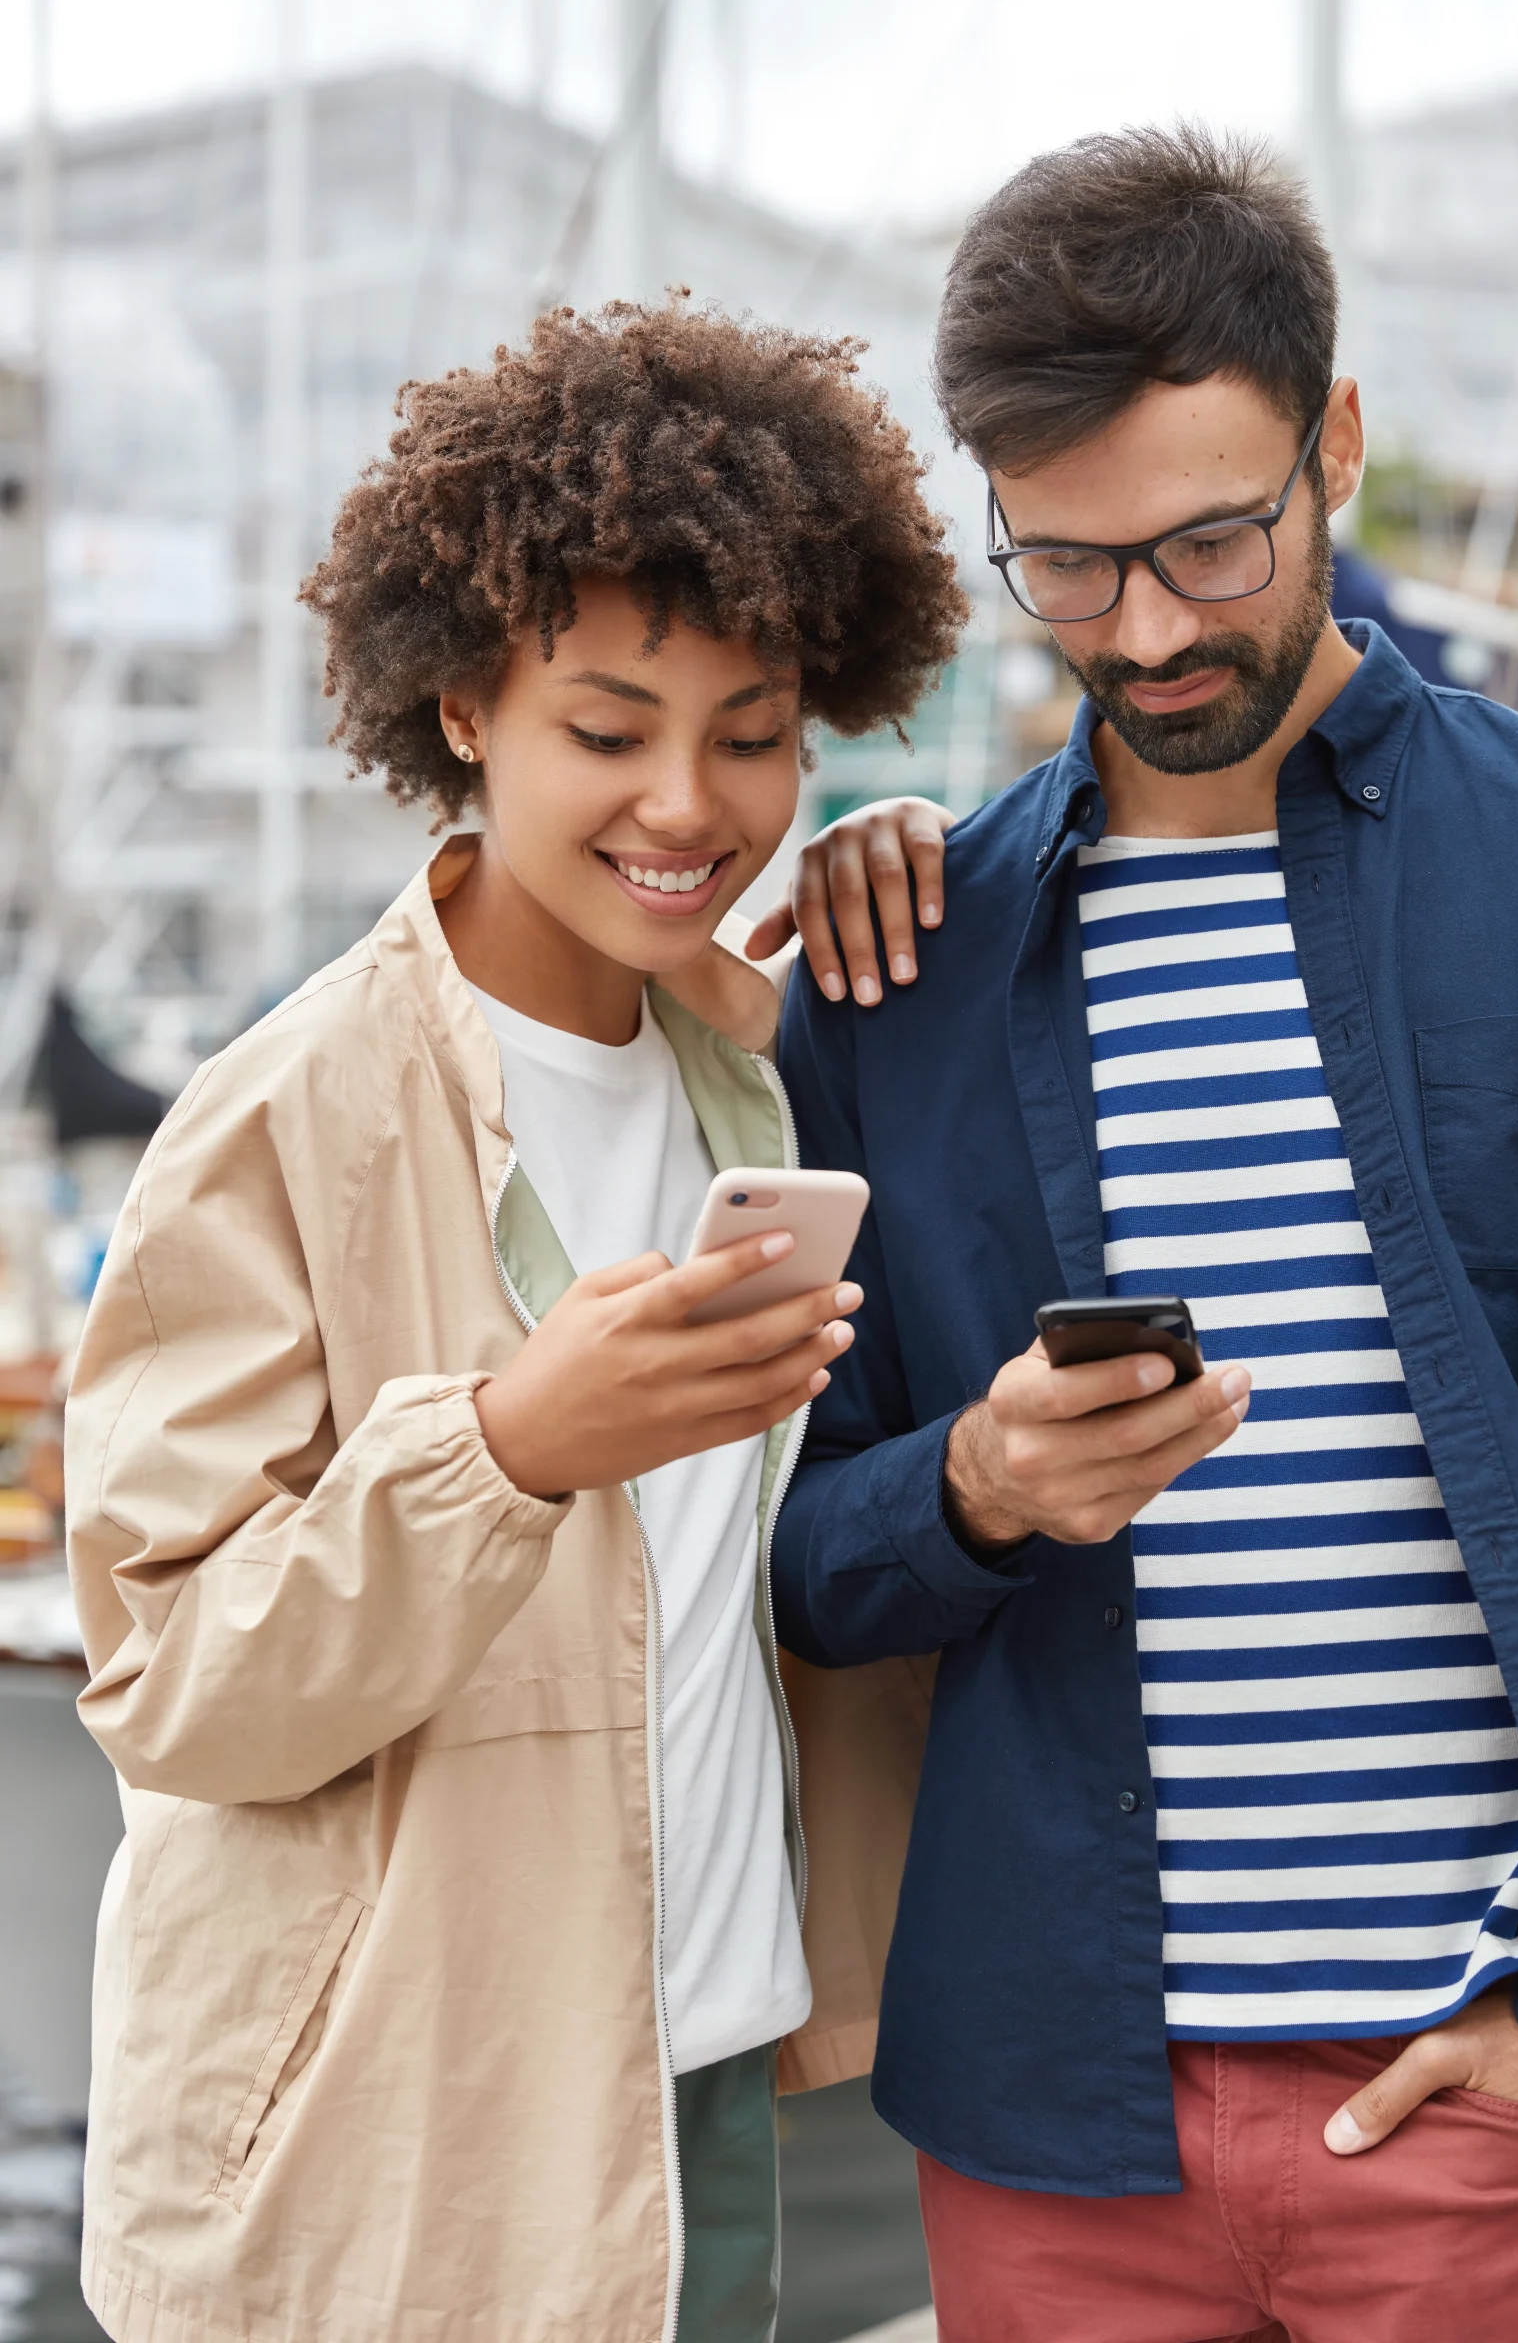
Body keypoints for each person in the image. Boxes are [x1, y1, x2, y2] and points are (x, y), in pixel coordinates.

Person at [758, 127, 1518, 2342]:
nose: (1151, 631)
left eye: (1208, 540)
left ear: (1335, 442)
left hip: (1493, 2099)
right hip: (1048, 2127)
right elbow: (793, 1560)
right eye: (1067, 570)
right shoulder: (900, 957)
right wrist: (974, 1489)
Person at [63, 299, 964, 2343]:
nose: (686, 801)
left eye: (753, 730)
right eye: (610, 724)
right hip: (390, 2166)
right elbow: (171, 1669)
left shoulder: (764, 1066)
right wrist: (504, 1446)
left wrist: (931, 862)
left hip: (704, 2095)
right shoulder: (282, 1113)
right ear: (464, 701)